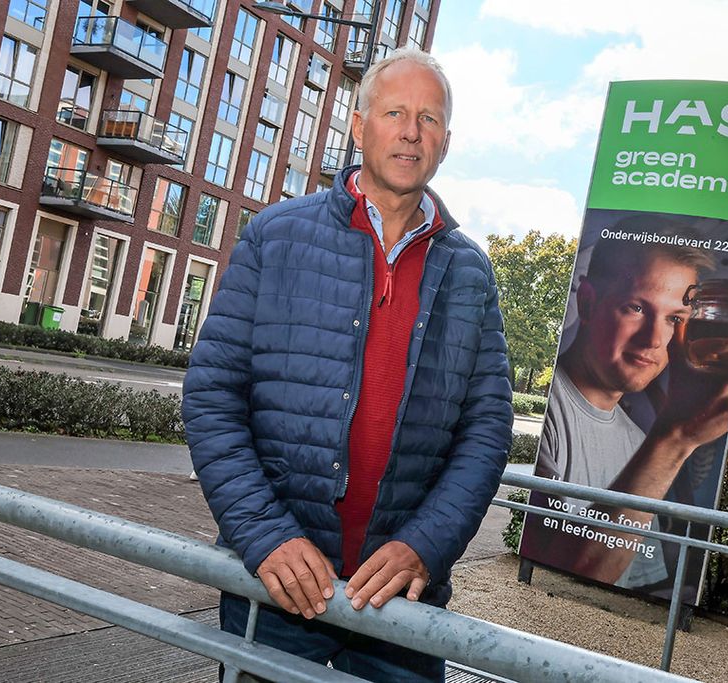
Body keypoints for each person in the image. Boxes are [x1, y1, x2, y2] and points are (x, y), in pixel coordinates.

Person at [182, 48, 513, 683]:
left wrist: (426, 546)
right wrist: (264, 535)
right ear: (359, 128)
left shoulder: (470, 272)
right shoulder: (274, 237)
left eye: (430, 118)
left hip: (401, 605)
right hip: (281, 587)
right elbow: (213, 395)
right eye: (394, 112)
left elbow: (487, 430)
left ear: (446, 142)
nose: (412, 131)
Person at [520, 225, 728, 588]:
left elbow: (627, 582)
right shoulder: (550, 411)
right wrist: (675, 441)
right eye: (635, 307)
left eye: (674, 319)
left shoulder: (639, 442)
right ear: (586, 302)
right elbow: (557, 565)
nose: (654, 339)